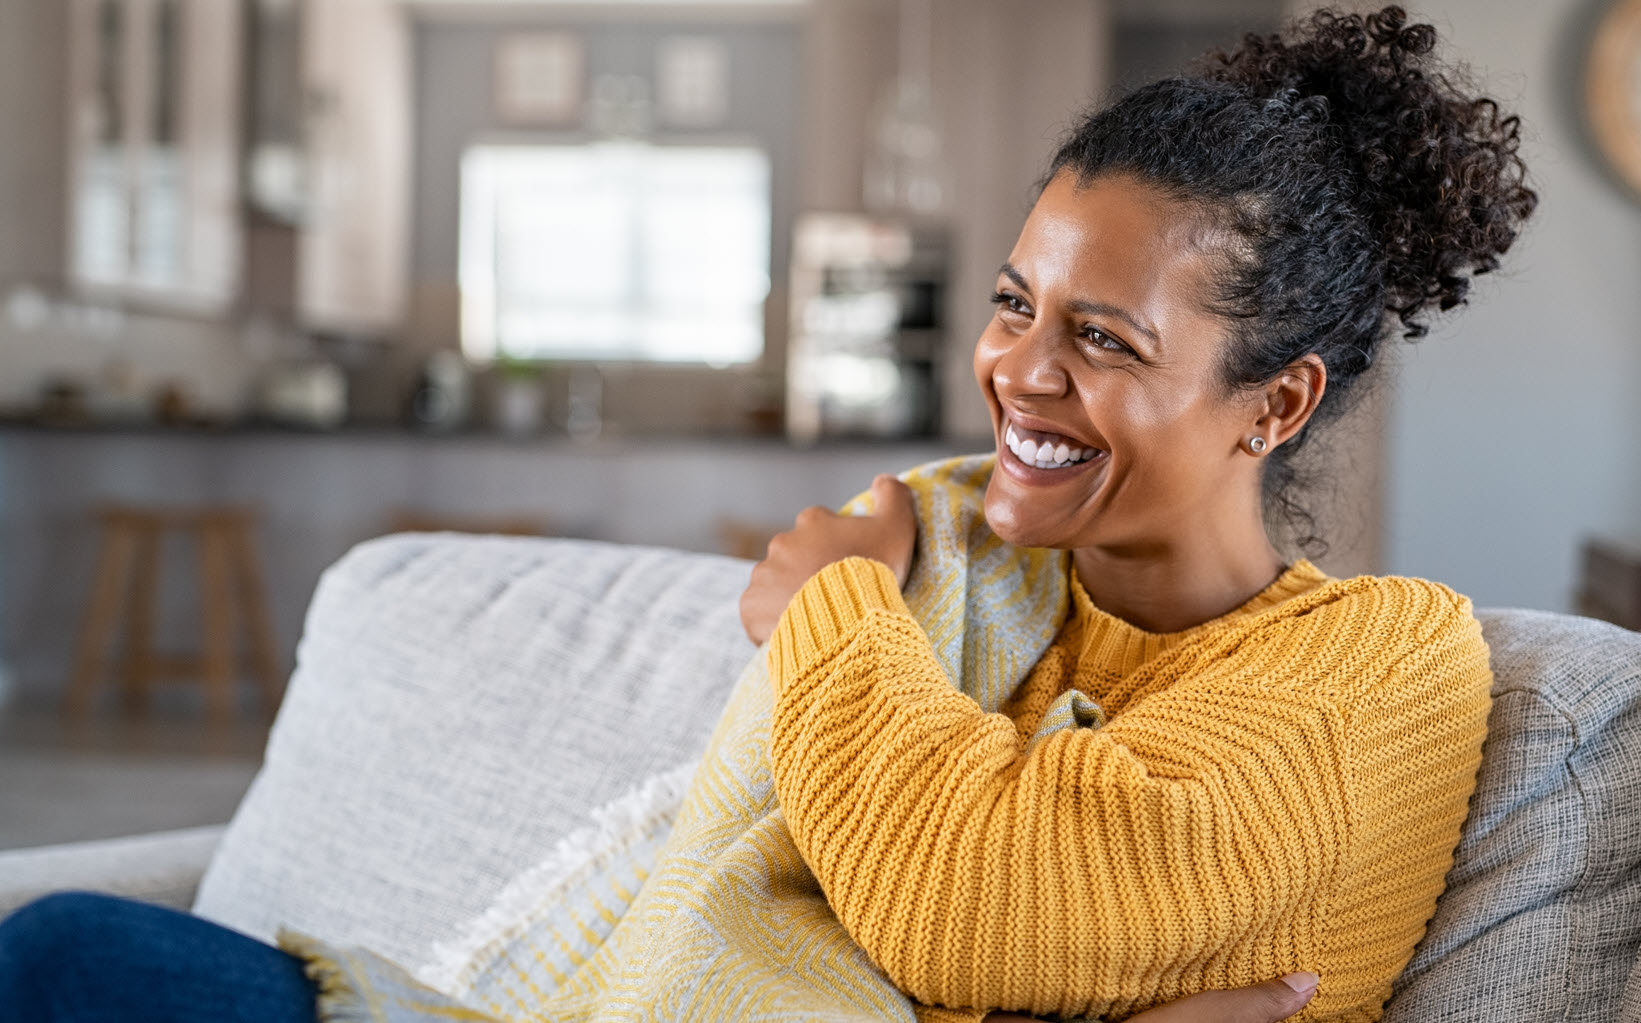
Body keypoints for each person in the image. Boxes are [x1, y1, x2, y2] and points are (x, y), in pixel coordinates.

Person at [0, 6, 1532, 1022]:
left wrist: (823, 613)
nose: (1016, 370)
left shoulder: (1387, 664)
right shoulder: (969, 561)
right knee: (64, 953)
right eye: (1015, 305)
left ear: (1274, 405)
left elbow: (971, 897)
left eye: (1104, 338)